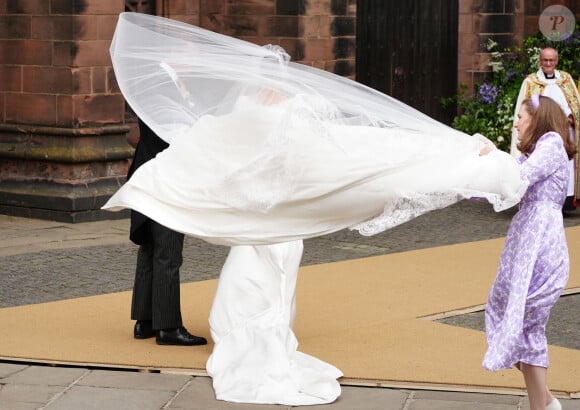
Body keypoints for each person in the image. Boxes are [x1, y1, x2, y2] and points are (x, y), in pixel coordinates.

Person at [104, 13, 528, 406]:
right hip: (273, 216)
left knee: (243, 274)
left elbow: (244, 145)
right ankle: (195, 328)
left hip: (274, 217)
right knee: (216, 267)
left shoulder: (259, 114)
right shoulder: (281, 113)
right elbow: (335, 146)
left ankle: (237, 337)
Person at [483, 95, 575, 410]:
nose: (516, 123)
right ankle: (546, 402)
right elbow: (505, 186)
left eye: (521, 116)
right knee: (507, 314)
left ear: (538, 118)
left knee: (526, 323)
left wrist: (495, 158)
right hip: (526, 241)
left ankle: (543, 406)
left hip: (542, 245)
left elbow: (517, 177)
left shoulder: (551, 144)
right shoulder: (535, 154)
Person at [128, 118, 207, 347]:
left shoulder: (149, 85)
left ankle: (145, 320)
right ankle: (168, 327)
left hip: (147, 168)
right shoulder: (166, 91)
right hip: (166, 174)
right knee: (168, 250)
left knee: (150, 245)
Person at [511, 47, 580, 211]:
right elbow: (524, 110)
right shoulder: (531, 82)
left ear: (556, 61)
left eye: (551, 60)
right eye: (545, 60)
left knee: (567, 164)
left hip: (566, 132)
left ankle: (567, 199)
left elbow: (576, 105)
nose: (548, 63)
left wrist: (571, 118)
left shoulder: (566, 79)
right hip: (542, 135)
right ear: (540, 61)